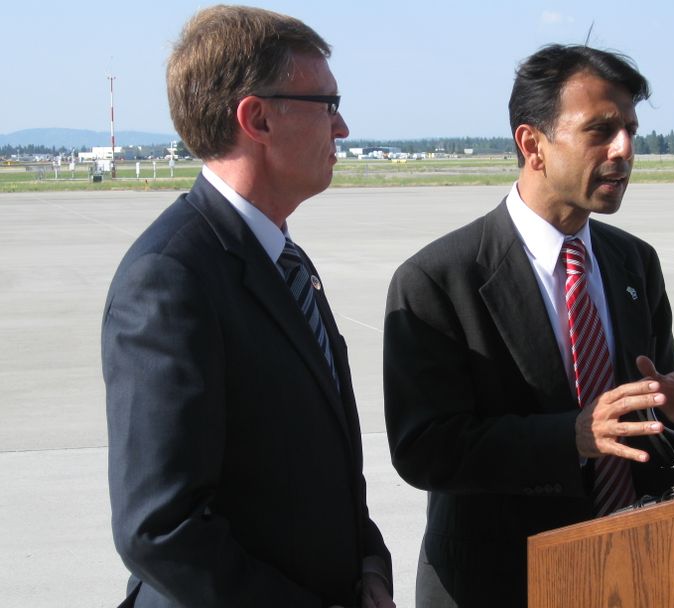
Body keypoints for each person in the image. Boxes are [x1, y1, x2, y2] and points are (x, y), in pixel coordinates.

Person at [383, 44, 674, 608]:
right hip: (499, 584)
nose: (624, 149)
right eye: (601, 130)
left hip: (631, 574)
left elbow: (641, 437)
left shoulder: (634, 263)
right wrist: (568, 437)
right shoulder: (438, 279)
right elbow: (424, 450)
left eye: (631, 131)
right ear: (532, 144)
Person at [102, 6, 394, 607]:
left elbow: (323, 464)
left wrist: (368, 564)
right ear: (256, 118)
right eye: (327, 105)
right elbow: (160, 528)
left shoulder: (284, 260)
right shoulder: (171, 278)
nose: (341, 128)